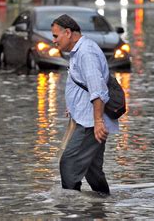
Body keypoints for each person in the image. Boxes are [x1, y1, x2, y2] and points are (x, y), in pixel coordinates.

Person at [51, 14, 119, 196]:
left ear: (68, 32)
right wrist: (73, 105)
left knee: (69, 164)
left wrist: (98, 121)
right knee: (92, 170)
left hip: (90, 123)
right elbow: (83, 84)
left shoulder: (86, 53)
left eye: (56, 36)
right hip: (88, 119)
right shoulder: (79, 51)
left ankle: (72, 211)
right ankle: (103, 205)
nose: (54, 41)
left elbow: (98, 90)